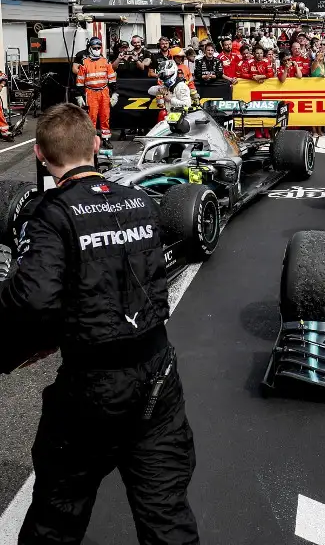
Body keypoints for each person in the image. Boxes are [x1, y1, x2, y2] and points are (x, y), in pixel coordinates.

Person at [0, 104, 199, 542]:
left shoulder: (51, 215)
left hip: (94, 388)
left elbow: (31, 302)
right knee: (166, 516)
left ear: (39, 155)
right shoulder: (141, 200)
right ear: (95, 145)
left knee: (57, 514)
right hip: (159, 376)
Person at [75, 36, 118, 147]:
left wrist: (115, 94)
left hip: (104, 92)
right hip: (90, 92)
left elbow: (112, 79)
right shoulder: (84, 63)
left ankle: (106, 139)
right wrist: (79, 96)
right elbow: (79, 82)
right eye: (94, 47)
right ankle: (91, 141)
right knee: (91, 118)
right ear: (90, 48)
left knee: (105, 117)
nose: (97, 49)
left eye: (99, 47)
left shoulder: (106, 61)